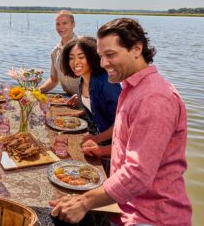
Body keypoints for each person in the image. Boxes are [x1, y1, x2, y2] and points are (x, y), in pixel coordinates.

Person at [50, 18, 192, 225]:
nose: (103, 63)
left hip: (150, 218)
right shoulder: (133, 88)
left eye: (110, 55)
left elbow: (137, 176)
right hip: (124, 208)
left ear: (136, 49)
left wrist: (83, 202)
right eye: (100, 56)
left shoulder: (154, 98)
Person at [61, 37, 121, 155]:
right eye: (71, 58)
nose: (75, 62)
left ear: (92, 57)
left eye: (81, 57)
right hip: (98, 135)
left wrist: (97, 139)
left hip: (114, 146)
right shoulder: (82, 83)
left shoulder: (106, 82)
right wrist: (73, 114)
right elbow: (95, 110)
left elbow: (121, 123)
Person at [39, 10, 80, 95]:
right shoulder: (55, 52)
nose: (61, 27)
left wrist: (83, 96)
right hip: (68, 100)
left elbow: (96, 77)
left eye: (65, 23)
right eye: (58, 24)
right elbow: (54, 80)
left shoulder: (84, 46)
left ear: (73, 24)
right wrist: (35, 92)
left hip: (89, 99)